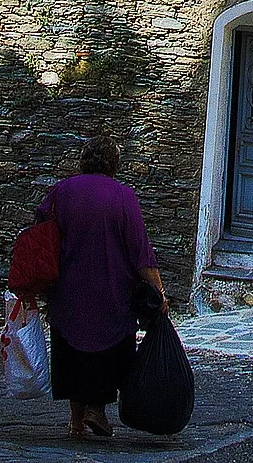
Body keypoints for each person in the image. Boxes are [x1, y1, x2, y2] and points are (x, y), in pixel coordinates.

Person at [34, 132, 168, 440]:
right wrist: (158, 291)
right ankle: (97, 408)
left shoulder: (61, 191)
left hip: (68, 289)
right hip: (113, 291)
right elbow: (141, 250)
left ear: (83, 160)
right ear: (115, 163)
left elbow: (42, 231)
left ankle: (75, 420)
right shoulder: (123, 197)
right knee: (109, 351)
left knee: (71, 351)